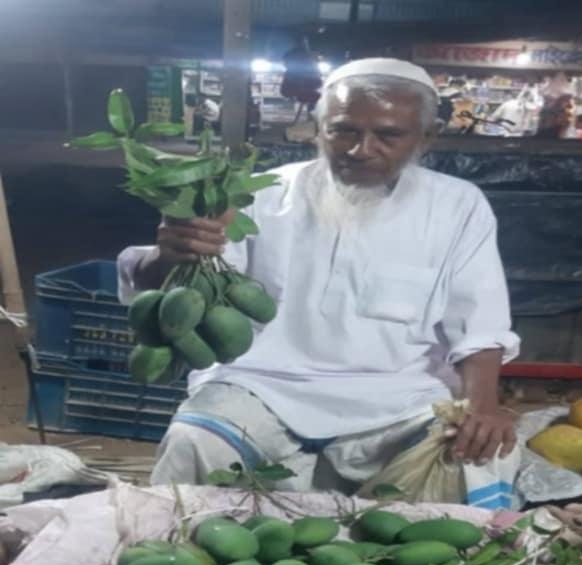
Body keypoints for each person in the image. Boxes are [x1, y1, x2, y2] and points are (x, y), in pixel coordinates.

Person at [116, 58, 521, 493]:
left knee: (480, 458)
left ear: (427, 136)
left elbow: (479, 324)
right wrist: (171, 254)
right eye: (343, 130)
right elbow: (179, 291)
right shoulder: (257, 195)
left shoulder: (457, 205)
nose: (361, 149)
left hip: (399, 397)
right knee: (193, 442)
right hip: (260, 387)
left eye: (388, 135)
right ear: (317, 128)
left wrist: (482, 407)